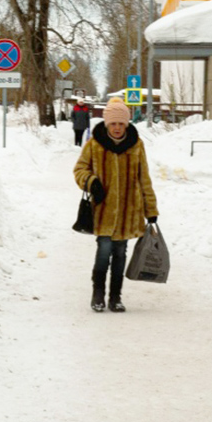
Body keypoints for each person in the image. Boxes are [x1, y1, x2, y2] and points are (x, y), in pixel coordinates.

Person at [72, 97, 158, 313]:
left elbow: (144, 178)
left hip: (129, 212)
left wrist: (151, 211)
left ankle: (116, 297)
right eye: (113, 123)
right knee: (104, 252)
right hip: (103, 212)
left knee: (120, 255)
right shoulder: (95, 144)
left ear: (127, 124)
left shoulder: (136, 145)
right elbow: (79, 169)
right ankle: (98, 294)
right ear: (107, 124)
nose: (117, 128)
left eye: (121, 123)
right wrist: (91, 182)